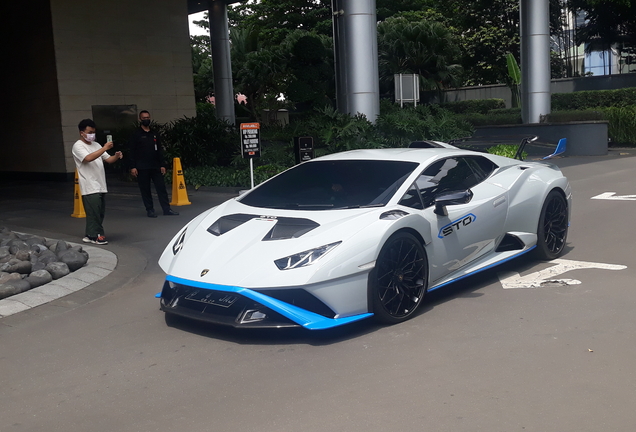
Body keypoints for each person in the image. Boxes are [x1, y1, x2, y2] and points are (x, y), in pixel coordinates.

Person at [72, 119, 123, 245]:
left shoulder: (96, 145)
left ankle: (90, 234)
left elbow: (108, 159)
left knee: (99, 212)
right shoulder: (78, 146)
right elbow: (88, 158)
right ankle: (97, 235)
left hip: (100, 183)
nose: (92, 135)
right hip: (89, 184)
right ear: (81, 132)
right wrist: (105, 147)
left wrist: (116, 156)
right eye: (89, 132)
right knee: (94, 211)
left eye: (93, 132)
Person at [128, 110, 179, 218]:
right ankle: (150, 210)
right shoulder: (136, 134)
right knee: (145, 190)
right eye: (144, 118)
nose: (146, 120)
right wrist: (133, 166)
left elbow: (160, 149)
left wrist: (163, 165)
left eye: (148, 117)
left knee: (161, 188)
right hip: (142, 167)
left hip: (155, 166)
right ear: (140, 119)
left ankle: (167, 209)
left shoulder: (154, 133)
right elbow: (131, 151)